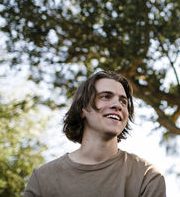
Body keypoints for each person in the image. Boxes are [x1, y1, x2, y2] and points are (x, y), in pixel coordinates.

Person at [25, 71, 166, 197]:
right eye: (105, 96)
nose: (117, 105)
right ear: (82, 109)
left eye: (123, 101)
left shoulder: (147, 177)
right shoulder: (42, 179)